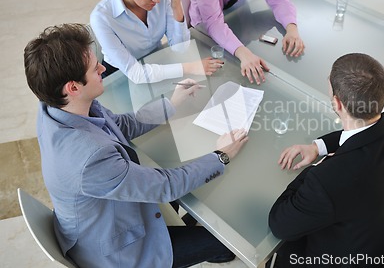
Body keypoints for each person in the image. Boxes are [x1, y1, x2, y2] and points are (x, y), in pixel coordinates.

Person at [23, 23, 248, 267]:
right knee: (233, 238)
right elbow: (166, 186)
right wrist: (221, 155)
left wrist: (171, 104)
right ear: (73, 87)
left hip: (108, 212)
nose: (102, 67)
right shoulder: (90, 158)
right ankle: (216, 251)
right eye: (93, 67)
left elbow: (120, 124)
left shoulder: (57, 104)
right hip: (123, 252)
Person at [269, 53, 384, 267]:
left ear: (337, 103)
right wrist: (318, 146)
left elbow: (279, 224)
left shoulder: (326, 181)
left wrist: (315, 169)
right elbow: (372, 130)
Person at [90, 0, 223, 84]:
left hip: (158, 64)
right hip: (120, 77)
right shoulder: (101, 17)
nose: (158, 0)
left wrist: (177, 7)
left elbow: (180, 48)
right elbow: (136, 74)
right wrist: (191, 67)